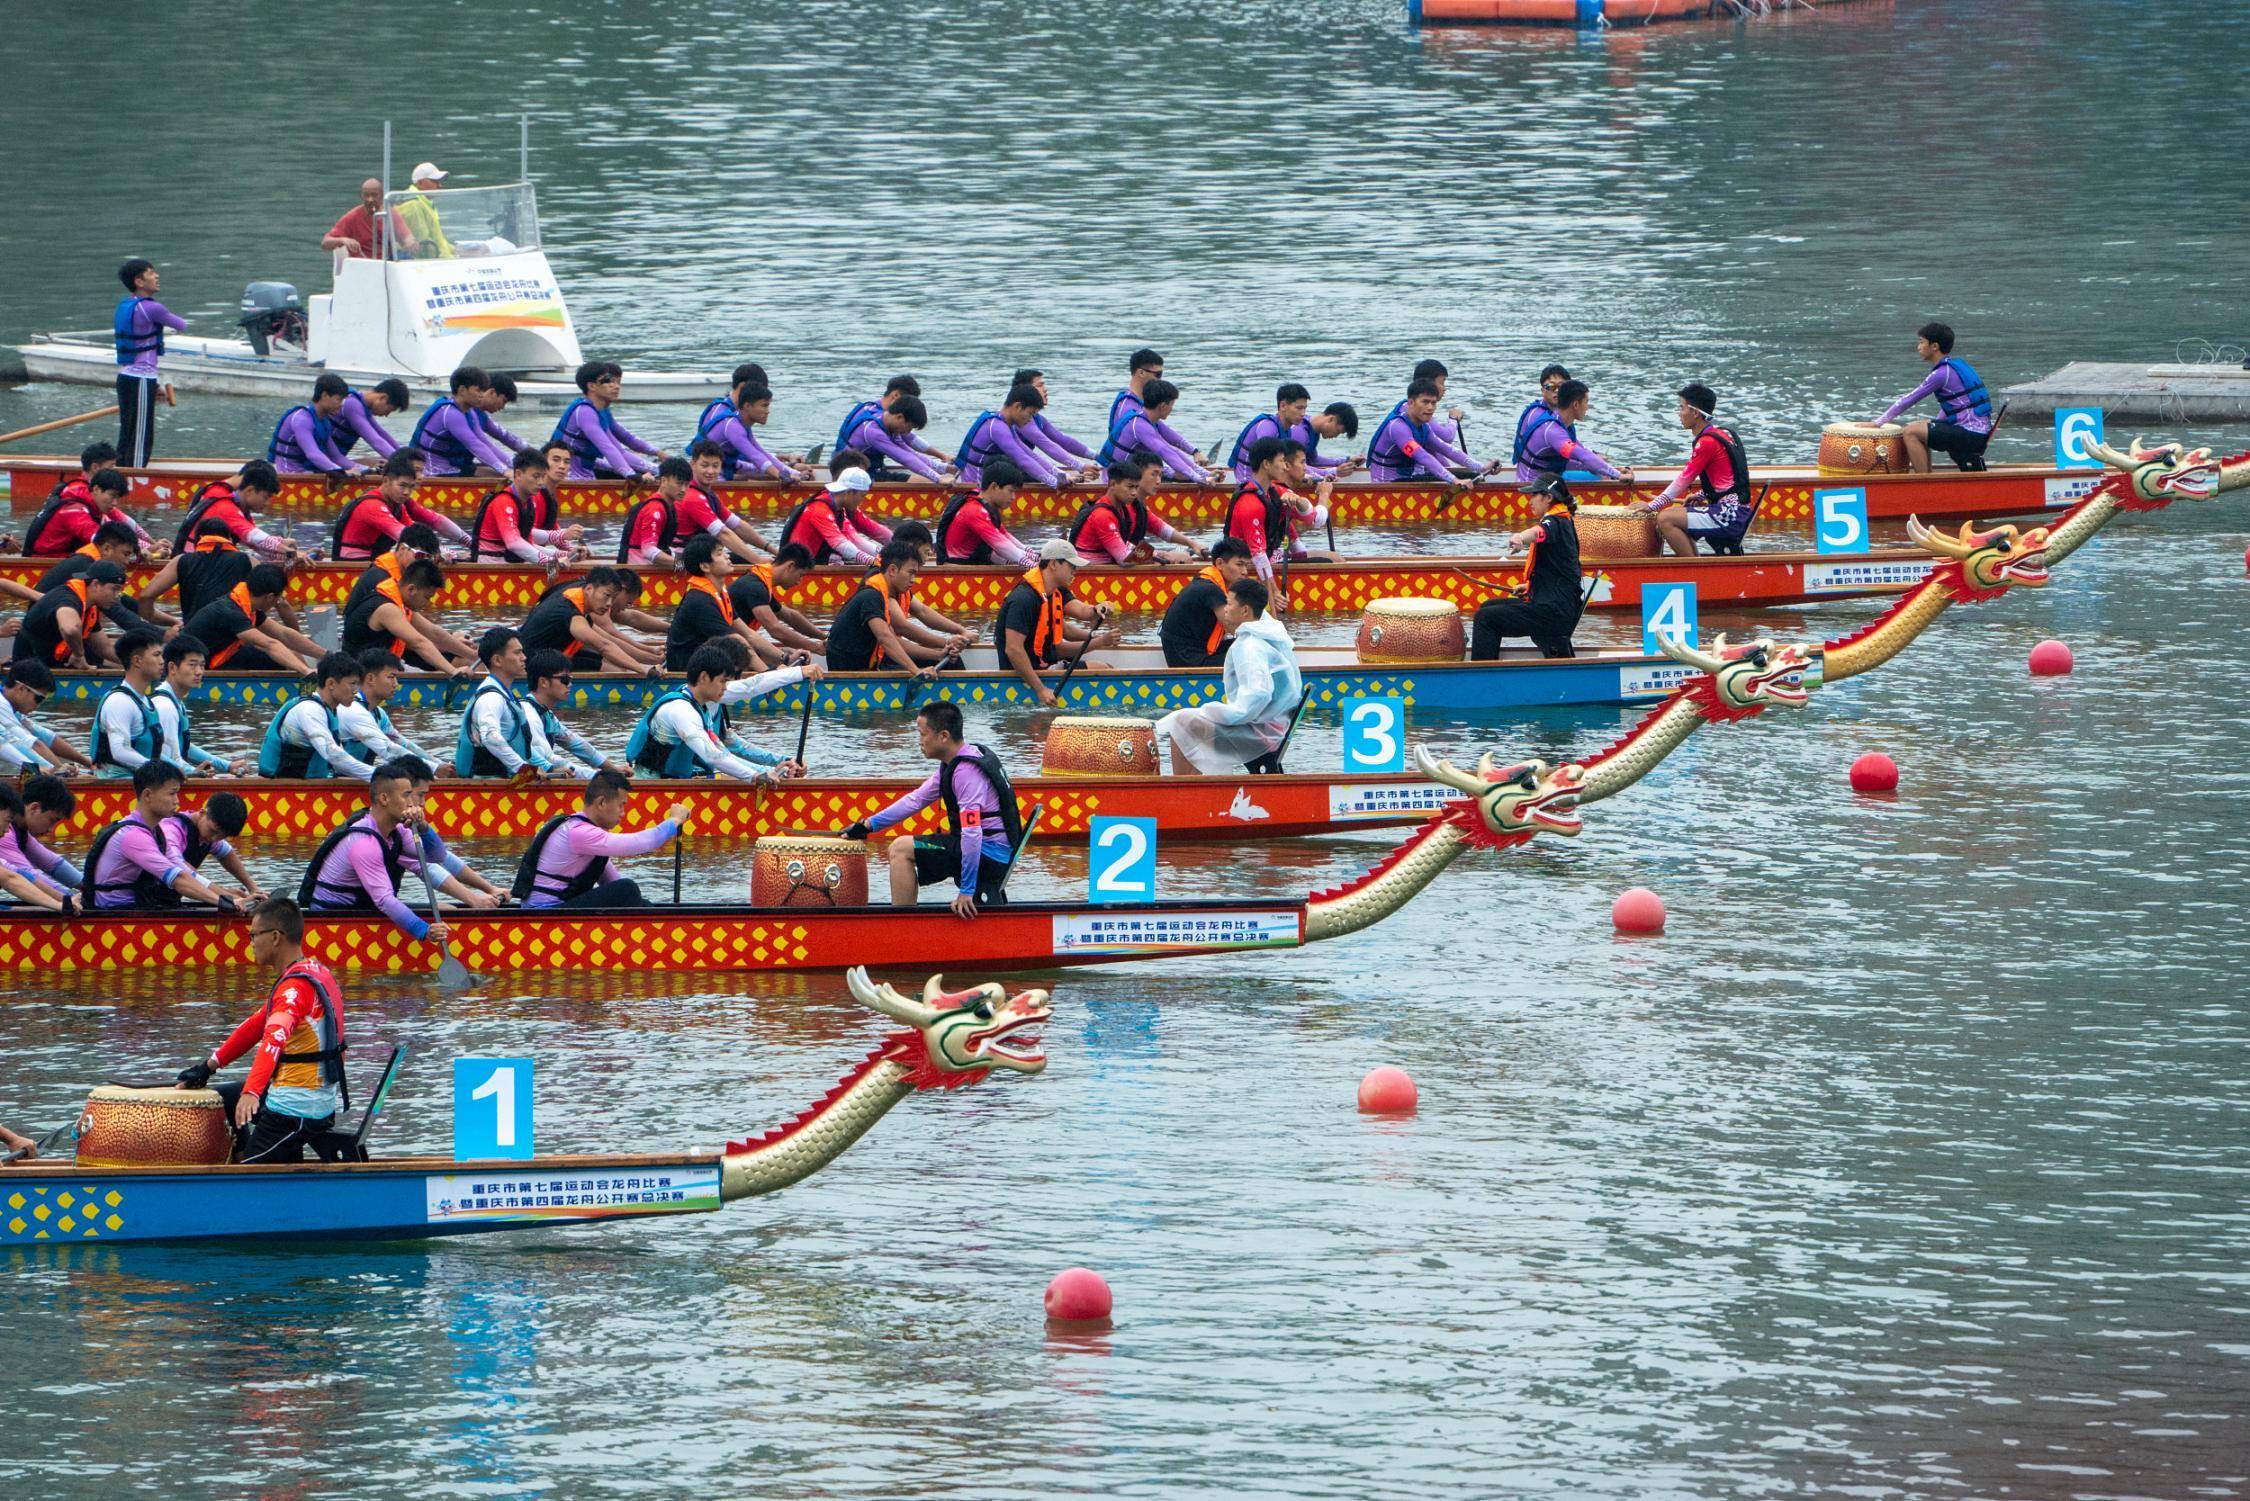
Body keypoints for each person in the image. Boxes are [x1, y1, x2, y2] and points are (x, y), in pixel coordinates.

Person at [177, 899, 357, 1163]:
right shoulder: (314, 973)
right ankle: (247, 1156)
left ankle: (247, 1169)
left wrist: (251, 1092)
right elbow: (255, 1026)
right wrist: (207, 1067)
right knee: (224, 1098)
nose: (249, 942)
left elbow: (273, 1040)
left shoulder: (293, 990)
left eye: (253, 935)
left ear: (275, 937)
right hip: (309, 1101)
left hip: (296, 1111)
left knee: (246, 1182)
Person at [844, 700, 1021, 920]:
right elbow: (915, 800)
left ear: (943, 736)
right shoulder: (958, 760)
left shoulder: (966, 773)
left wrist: (966, 890)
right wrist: (868, 825)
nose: (920, 741)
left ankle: (903, 926)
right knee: (902, 846)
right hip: (985, 849)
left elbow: (972, 833)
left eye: (922, 734)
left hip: (990, 855)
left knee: (900, 849)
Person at [299, 757, 496, 938]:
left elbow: (436, 856)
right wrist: (424, 932)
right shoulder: (363, 842)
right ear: (384, 799)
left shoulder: (398, 831)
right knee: (440, 914)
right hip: (335, 919)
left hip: (363, 907)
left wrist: (424, 828)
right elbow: (385, 899)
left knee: (450, 910)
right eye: (407, 795)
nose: (413, 803)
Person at [1155, 578, 1302, 775]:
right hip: (1275, 726)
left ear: (1245, 611)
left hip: (1259, 735)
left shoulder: (1249, 646)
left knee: (1180, 722)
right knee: (1193, 720)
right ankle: (1199, 788)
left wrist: (1213, 712)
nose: (1225, 609)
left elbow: (1258, 695)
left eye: (1230, 603)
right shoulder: (1271, 631)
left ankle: (1184, 793)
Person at [625, 644, 809, 783]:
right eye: (723, 681)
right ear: (704, 677)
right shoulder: (681, 711)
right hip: (654, 785)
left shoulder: (702, 703)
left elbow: (751, 686)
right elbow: (713, 756)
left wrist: (778, 767)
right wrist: (757, 776)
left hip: (680, 778)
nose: (726, 688)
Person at [513, 769, 690, 909]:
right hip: (546, 914)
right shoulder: (580, 833)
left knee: (627, 892)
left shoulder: (580, 831)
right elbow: (644, 843)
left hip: (555, 908)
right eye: (621, 805)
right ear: (602, 802)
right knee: (627, 888)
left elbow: (612, 882)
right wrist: (675, 820)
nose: (623, 813)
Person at [81, 761, 243, 911]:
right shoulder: (134, 836)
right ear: (147, 795)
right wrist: (225, 902)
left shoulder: (156, 833)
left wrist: (226, 896)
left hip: (139, 907)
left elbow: (183, 872)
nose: (177, 801)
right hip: (116, 914)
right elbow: (178, 880)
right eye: (172, 793)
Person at [994, 540, 1118, 705]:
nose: (1075, 572)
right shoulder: (1023, 599)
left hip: (1047, 665)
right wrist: (1040, 689)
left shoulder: (1057, 590)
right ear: (1053, 564)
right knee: (1104, 671)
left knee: (1107, 668)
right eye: (1071, 566)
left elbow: (1080, 612)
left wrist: (1097, 609)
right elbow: (1013, 649)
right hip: (1025, 676)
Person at [1472, 477, 1583, 660]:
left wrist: (1519, 538)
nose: (1529, 500)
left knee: (1486, 619)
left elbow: (1537, 533)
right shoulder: (1563, 520)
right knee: (1488, 606)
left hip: (1553, 612)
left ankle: (1482, 676)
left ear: (1548, 497)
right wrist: (1530, 586)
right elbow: (1558, 569)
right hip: (1558, 606)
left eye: (1534, 495)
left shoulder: (1554, 522)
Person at [1643, 383, 1755, 556]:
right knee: (1674, 515)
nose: (1679, 413)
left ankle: (1693, 572)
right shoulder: (1722, 432)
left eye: (1681, 408)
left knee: (1665, 519)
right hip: (1737, 511)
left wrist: (1652, 506)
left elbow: (1684, 479)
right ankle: (1696, 565)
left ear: (1695, 413)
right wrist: (1702, 495)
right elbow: (1726, 481)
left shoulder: (1706, 443)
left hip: (1729, 515)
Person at [340, 524, 475, 667]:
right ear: (403, 549)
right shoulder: (382, 583)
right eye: (420, 556)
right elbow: (418, 641)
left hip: (389, 643)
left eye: (430, 559)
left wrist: (471, 653)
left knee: (463, 648)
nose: (424, 563)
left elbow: (431, 631)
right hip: (365, 659)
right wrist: (453, 653)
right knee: (461, 659)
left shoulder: (399, 579)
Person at [1880, 320, 1994, 473]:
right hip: (1979, 431)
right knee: (1921, 426)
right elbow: (1955, 406)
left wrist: (1878, 423)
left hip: (1971, 434)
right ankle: (1928, 476)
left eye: (1921, 342)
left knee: (1910, 432)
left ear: (1934, 346)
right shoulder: (1956, 366)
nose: (1918, 347)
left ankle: (1924, 482)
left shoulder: (1941, 374)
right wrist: (1933, 424)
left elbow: (1909, 399)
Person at [826, 541, 948, 674]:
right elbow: (885, 637)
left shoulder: (882, 594)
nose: (913, 580)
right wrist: (916, 671)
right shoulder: (871, 596)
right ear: (892, 570)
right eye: (911, 573)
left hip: (868, 665)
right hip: (851, 673)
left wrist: (938, 654)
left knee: (946, 660)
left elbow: (894, 640)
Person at [256, 653, 378, 779]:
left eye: (357, 684)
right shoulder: (310, 710)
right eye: (352, 684)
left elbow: (339, 761)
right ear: (331, 684)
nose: (355, 690)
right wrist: (377, 776)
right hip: (283, 788)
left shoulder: (331, 711)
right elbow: (332, 754)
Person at [333, 449, 467, 560]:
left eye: (411, 487)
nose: (407, 492)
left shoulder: (397, 504)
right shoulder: (372, 505)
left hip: (373, 560)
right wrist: (451, 554)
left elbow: (417, 530)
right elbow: (406, 536)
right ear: (386, 480)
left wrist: (461, 548)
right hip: (355, 565)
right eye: (402, 486)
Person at [182, 562, 317, 673]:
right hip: (189, 667)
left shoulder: (246, 606)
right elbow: (270, 645)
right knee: (286, 655)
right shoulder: (231, 613)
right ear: (270, 597)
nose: (278, 602)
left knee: (290, 653)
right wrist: (306, 670)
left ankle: (308, 685)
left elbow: (284, 634)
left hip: (213, 656)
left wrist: (326, 655)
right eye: (278, 598)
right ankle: (308, 687)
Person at [114, 258, 185, 465]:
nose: (157, 276)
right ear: (139, 281)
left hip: (126, 377)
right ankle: (135, 478)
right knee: (141, 436)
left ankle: (121, 473)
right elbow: (181, 325)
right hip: (141, 378)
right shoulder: (152, 308)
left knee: (128, 432)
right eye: (151, 273)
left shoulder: (126, 304)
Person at [664, 535, 771, 670]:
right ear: (705, 566)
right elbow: (737, 642)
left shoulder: (719, 594)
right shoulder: (700, 601)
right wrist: (767, 673)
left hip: (709, 666)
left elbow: (748, 633)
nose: (727, 557)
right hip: (690, 674)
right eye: (720, 553)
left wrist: (783, 657)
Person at [1069, 456, 1201, 565]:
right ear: (1112, 484)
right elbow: (1124, 558)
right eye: (1130, 487)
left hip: (1110, 564)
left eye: (1136, 487)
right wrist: (1164, 555)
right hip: (1092, 572)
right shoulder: (1102, 515)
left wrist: (1192, 544)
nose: (1133, 493)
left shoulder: (1125, 507)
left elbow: (1159, 527)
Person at [155, 634, 252, 777]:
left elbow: (185, 748)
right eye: (192, 665)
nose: (199, 672)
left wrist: (227, 766)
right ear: (172, 667)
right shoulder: (165, 706)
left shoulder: (175, 702)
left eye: (202, 665)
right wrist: (195, 773)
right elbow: (167, 757)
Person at [519, 650, 624, 778]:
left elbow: (576, 744)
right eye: (564, 679)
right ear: (543, 682)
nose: (570, 685)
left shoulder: (545, 714)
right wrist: (597, 777)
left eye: (570, 679)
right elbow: (548, 761)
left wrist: (613, 770)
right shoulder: (529, 714)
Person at [342, 554, 455, 672]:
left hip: (382, 667)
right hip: (362, 674)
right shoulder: (387, 608)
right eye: (427, 597)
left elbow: (434, 633)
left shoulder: (400, 600)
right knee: (453, 664)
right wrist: (453, 671)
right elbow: (419, 643)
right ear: (411, 589)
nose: (428, 603)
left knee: (459, 649)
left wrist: (472, 654)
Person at [519, 568, 643, 672]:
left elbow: (608, 640)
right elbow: (604, 646)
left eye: (613, 598)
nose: (609, 603)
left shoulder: (578, 596)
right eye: (606, 596)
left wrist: (650, 655)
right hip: (533, 663)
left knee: (617, 665)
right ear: (589, 589)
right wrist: (644, 670)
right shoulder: (571, 613)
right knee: (616, 670)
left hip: (549, 653)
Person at [1229, 384, 1361, 482]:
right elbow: (1274, 465)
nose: (1303, 413)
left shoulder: (1287, 430)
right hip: (1246, 481)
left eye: (1305, 408)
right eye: (1299, 408)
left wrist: (1343, 461)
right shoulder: (1269, 428)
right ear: (1283, 406)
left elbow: (1297, 463)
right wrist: (1329, 473)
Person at [551, 360, 659, 480]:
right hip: (569, 475)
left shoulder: (599, 412)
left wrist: (659, 460)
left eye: (616, 381)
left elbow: (624, 441)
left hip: (585, 469)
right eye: (607, 381)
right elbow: (608, 448)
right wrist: (631, 475)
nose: (615, 386)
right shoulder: (584, 412)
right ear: (592, 386)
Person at [455, 629, 540, 777]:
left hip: (509, 779)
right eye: (517, 653)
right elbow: (490, 737)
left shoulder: (505, 694)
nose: (524, 657)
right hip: (490, 784)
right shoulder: (491, 698)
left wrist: (549, 767)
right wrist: (524, 770)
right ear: (497, 660)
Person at [472, 447, 581, 563]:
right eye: (535, 476)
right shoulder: (503, 501)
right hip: (492, 567)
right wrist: (551, 561)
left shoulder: (527, 503)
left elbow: (529, 543)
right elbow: (514, 544)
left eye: (543, 477)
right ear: (518, 474)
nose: (540, 482)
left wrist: (564, 554)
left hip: (510, 563)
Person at [168, 461, 295, 561]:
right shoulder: (222, 502)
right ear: (249, 489)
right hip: (191, 565)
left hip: (205, 559)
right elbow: (254, 537)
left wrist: (285, 548)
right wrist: (286, 551)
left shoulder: (235, 501)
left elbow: (256, 542)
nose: (267, 504)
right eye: (266, 497)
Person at [1159, 538, 1255, 668]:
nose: (1245, 571)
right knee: (1250, 651)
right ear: (1220, 563)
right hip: (1188, 659)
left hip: (1195, 651)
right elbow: (1234, 627)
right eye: (1239, 564)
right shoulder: (1210, 589)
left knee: (1250, 644)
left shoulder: (1206, 581)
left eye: (1246, 565)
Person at [25, 461, 154, 558]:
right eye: (112, 496)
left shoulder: (97, 503)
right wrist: (137, 552)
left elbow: (123, 526)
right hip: (47, 564)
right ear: (96, 490)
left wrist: (152, 546)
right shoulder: (74, 511)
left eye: (118, 498)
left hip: (68, 559)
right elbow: (102, 541)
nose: (115, 503)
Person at [778, 458, 893, 565]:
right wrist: (876, 562)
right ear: (849, 493)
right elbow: (841, 545)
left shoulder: (839, 508)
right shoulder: (819, 509)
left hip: (814, 561)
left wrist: (892, 554)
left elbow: (855, 539)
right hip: (797, 568)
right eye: (862, 496)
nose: (862, 501)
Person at [1099, 379, 1217, 483]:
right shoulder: (1140, 426)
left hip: (1128, 475)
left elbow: (1172, 446)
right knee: (1179, 475)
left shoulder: (1146, 417)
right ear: (1163, 406)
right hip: (1114, 481)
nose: (1172, 409)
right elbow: (1166, 453)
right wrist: (1199, 479)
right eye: (1172, 404)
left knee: (1180, 474)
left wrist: (1204, 473)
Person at [1515, 379, 1628, 486]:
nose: (1587, 407)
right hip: (1533, 488)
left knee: (1602, 473)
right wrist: (1617, 475)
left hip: (1545, 479)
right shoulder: (1553, 431)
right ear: (1575, 405)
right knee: (1603, 478)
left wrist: (1610, 469)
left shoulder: (1559, 422)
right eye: (1586, 402)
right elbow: (1582, 456)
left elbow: (1580, 453)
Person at [955, 384, 1069, 490]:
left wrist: (1060, 475)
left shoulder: (1004, 424)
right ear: (1018, 406)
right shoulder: (997, 428)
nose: (1030, 420)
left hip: (988, 483)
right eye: (1030, 414)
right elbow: (1023, 461)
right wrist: (1055, 483)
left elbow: (1029, 455)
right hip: (977, 488)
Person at [18, 561, 128, 668]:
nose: (117, 596)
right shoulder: (69, 599)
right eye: (114, 589)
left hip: (49, 666)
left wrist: (134, 664)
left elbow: (104, 648)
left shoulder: (89, 607)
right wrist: (78, 655)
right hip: (29, 671)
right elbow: (70, 629)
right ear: (95, 585)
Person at [1369, 380, 1477, 487]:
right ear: (1411, 403)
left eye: (1433, 403)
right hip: (1386, 485)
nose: (1430, 408)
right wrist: (1454, 480)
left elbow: (1447, 449)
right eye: (1425, 402)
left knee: (1474, 476)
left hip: (1407, 479)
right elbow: (1422, 456)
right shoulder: (1398, 428)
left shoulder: (1424, 426)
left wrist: (1482, 467)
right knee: (1459, 480)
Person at [409, 367, 514, 477]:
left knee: (500, 473)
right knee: (500, 475)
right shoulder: (450, 414)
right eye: (478, 390)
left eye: (483, 391)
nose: (482, 395)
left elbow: (485, 443)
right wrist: (504, 471)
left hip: (451, 469)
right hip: (431, 472)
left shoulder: (470, 412)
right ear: (462, 390)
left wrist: (512, 466)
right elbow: (474, 445)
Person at [90, 629, 167, 775]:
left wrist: (183, 770)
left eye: (162, 655)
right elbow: (119, 751)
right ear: (137, 660)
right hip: (117, 782)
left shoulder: (146, 702)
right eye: (156, 655)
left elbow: (152, 755)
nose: (162, 661)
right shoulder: (119, 702)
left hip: (146, 780)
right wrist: (162, 770)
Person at [341, 648, 436, 766]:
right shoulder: (352, 710)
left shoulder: (379, 714)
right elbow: (388, 749)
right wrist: (434, 768)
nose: (396, 684)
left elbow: (403, 744)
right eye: (391, 677)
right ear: (370, 678)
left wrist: (438, 764)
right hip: (333, 780)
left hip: (356, 777)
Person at [700, 383, 811, 483]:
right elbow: (755, 456)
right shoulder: (733, 427)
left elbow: (762, 454)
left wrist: (794, 473)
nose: (768, 411)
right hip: (711, 471)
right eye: (764, 405)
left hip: (728, 465)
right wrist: (782, 476)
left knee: (763, 471)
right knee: (763, 472)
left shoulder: (742, 425)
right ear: (748, 406)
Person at [935, 459, 1037, 566]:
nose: (1013, 497)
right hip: (956, 568)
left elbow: (1004, 535)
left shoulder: (983, 501)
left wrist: (1033, 555)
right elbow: (1000, 545)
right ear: (994, 487)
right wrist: (1033, 565)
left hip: (972, 561)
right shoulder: (975, 511)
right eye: (1011, 491)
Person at [728, 543, 825, 655]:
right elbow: (776, 630)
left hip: (735, 645)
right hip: (723, 650)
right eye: (800, 575)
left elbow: (790, 616)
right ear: (790, 566)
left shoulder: (760, 581)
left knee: (786, 653)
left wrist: (824, 636)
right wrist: (816, 647)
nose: (799, 582)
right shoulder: (755, 587)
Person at [839, 392, 952, 483]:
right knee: (925, 481)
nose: (908, 432)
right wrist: (939, 478)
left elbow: (910, 453)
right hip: (856, 477)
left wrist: (944, 468)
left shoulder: (887, 423)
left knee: (925, 478)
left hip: (871, 469)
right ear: (899, 417)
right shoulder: (873, 432)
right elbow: (903, 458)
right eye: (909, 427)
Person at [0, 663, 92, 775]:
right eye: (39, 698)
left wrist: (88, 762)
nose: (39, 705)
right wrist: (59, 771)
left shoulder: (11, 707)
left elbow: (45, 736)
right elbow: (31, 744)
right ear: (21, 689)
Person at [1010, 368, 1101, 480]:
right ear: (1026, 391)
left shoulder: (1038, 419)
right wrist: (1080, 467)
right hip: (1007, 473)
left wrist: (1098, 456)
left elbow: (1063, 441)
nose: (1045, 390)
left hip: (1022, 468)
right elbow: (1047, 445)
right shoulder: (1021, 420)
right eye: (1040, 386)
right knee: (1075, 479)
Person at [267, 374, 366, 476]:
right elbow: (313, 454)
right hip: (288, 473)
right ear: (324, 396)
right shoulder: (302, 419)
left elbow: (336, 457)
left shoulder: (324, 421)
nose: (341, 404)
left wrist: (367, 469)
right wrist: (342, 472)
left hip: (307, 472)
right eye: (339, 399)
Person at [321, 179, 412, 259]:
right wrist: (343, 240)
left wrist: (410, 242)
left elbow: (407, 236)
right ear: (361, 196)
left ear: (382, 195)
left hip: (387, 264)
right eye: (366, 195)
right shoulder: (352, 217)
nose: (370, 199)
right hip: (362, 266)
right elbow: (325, 243)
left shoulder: (390, 214)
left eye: (374, 195)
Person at [1511, 364, 1573, 472]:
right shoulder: (1540, 418)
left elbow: (1571, 443)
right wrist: (1592, 462)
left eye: (1561, 386)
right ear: (1542, 390)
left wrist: (1592, 454)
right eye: (1550, 387)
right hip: (1535, 481)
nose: (1557, 391)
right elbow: (1571, 456)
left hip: (1546, 474)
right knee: (1595, 475)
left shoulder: (1559, 414)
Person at [333, 378, 411, 461]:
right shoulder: (352, 404)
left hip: (335, 459)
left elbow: (381, 434)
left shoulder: (362, 405)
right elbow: (375, 441)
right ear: (383, 398)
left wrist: (407, 456)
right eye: (389, 410)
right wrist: (403, 463)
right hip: (326, 460)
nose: (386, 415)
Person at [696, 361, 771, 446]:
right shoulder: (720, 413)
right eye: (760, 391)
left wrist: (773, 457)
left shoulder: (740, 412)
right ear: (743, 386)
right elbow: (710, 456)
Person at [396, 163, 455, 259]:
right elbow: (425, 246)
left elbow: (438, 240)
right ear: (420, 183)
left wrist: (457, 250)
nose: (440, 185)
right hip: (424, 265)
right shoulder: (412, 206)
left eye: (440, 181)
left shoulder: (424, 202)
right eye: (435, 181)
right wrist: (450, 258)